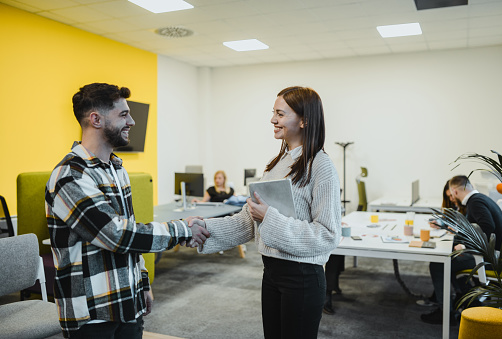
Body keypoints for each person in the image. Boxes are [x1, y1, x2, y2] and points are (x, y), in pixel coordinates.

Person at [45, 83, 210, 338]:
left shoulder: (116, 169)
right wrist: (182, 229)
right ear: (96, 119)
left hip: (127, 302)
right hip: (92, 311)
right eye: (123, 114)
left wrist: (142, 282)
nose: (131, 121)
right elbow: (116, 234)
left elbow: (129, 227)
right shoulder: (70, 177)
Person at [190, 86, 341, 339]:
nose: (273, 120)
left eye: (280, 114)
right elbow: (250, 221)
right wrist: (205, 228)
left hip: (302, 277)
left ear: (304, 120)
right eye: (273, 113)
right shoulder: (277, 165)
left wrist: (269, 217)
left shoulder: (321, 166)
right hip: (271, 272)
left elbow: (327, 235)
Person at [420, 175, 502, 325]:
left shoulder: (475, 203)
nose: (452, 198)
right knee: (450, 260)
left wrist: (466, 247)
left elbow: (488, 229)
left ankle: (445, 313)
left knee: (439, 264)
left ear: (453, 191)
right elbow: (472, 227)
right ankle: (468, 301)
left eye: (451, 195)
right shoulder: (480, 199)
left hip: (490, 259)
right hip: (494, 255)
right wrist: (444, 225)